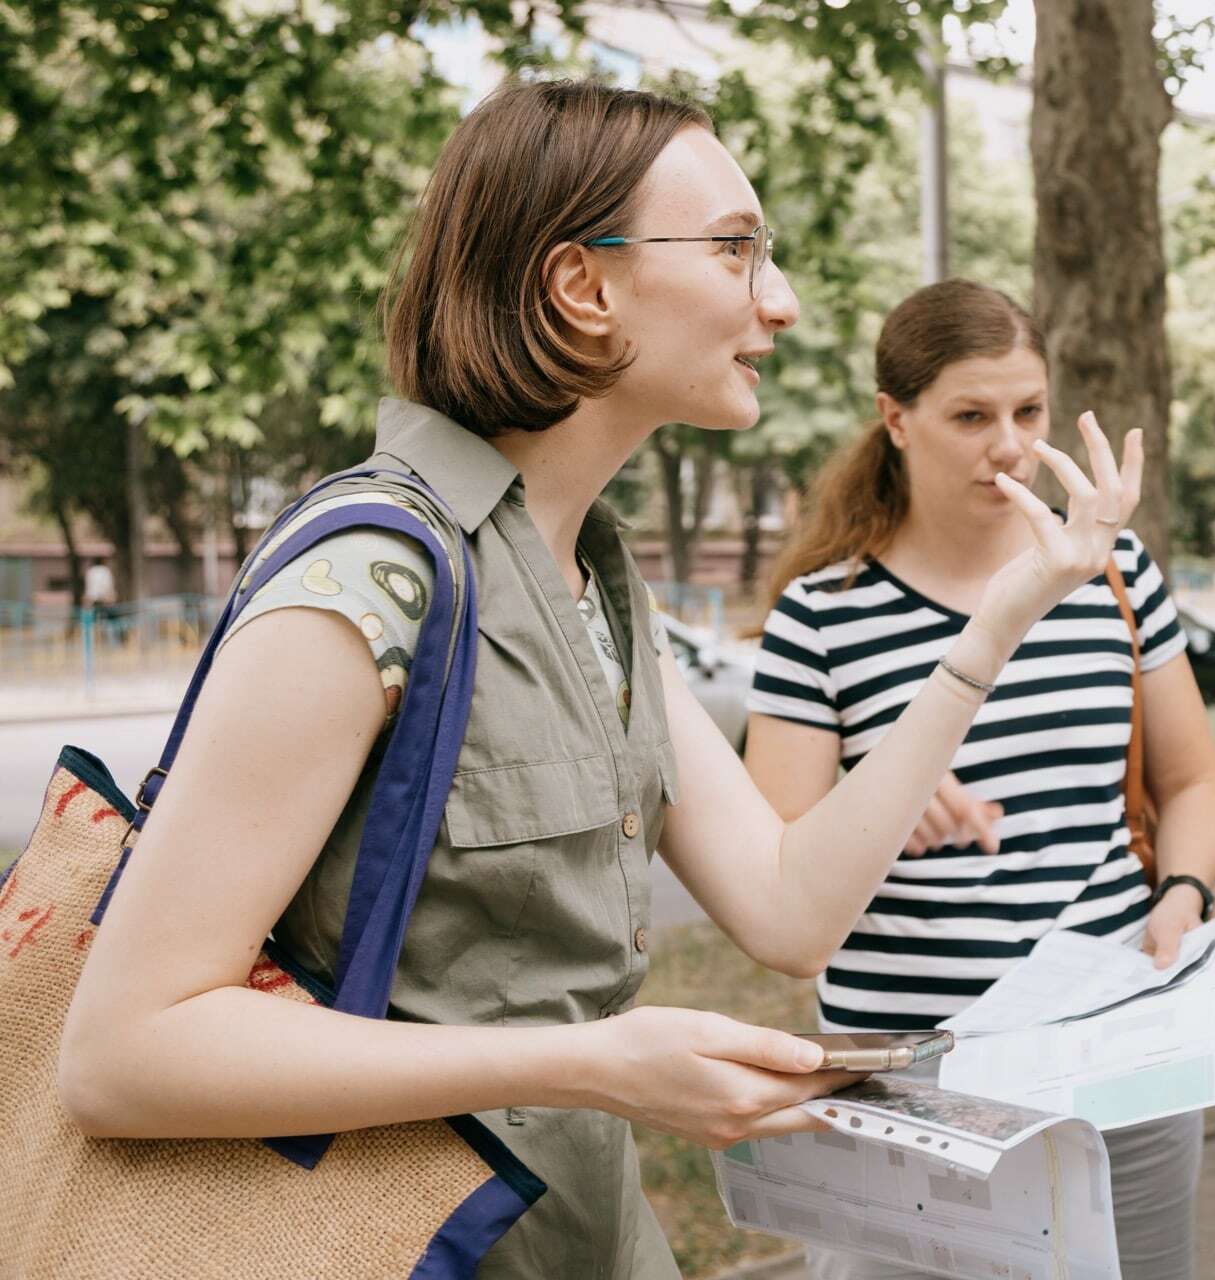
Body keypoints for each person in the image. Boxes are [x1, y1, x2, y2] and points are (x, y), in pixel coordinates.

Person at [54, 83, 1145, 1279]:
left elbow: (791, 909)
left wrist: (1001, 618)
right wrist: (586, 1057)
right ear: (584, 285)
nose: (777, 302)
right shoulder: (370, 580)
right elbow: (121, 1055)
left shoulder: (598, 584)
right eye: (737, 250)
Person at [744, 279, 1215, 1280]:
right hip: (906, 1079)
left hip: (1115, 1054)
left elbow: (1192, 784)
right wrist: (873, 804)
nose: (1008, 445)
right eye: (970, 415)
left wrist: (1182, 897)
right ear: (896, 419)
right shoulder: (819, 614)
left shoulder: (1114, 571)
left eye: (1028, 411)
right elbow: (773, 866)